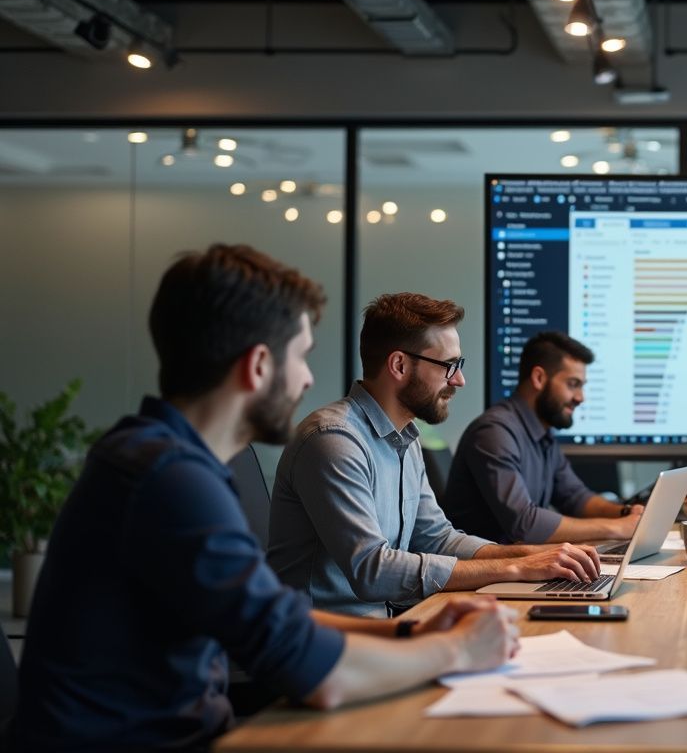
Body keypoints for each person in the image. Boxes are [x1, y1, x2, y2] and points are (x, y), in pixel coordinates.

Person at [14, 246, 518, 752]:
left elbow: (276, 615)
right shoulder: (168, 480)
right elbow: (316, 672)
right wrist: (455, 650)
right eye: (300, 355)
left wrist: (411, 636)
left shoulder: (162, 459)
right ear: (258, 365)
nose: (308, 378)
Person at [267, 295, 600, 617]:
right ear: (399, 365)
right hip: (321, 644)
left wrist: (537, 556)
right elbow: (372, 570)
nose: (459, 379)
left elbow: (437, 538)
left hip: (385, 627)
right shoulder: (334, 440)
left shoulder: (407, 438)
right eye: (449, 365)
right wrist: (514, 567)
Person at [441, 331, 644, 544]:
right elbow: (526, 524)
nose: (580, 397)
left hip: (521, 565)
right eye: (573, 384)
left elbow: (575, 498)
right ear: (539, 378)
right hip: (489, 571)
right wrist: (617, 528)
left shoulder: (542, 434)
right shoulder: (494, 432)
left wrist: (626, 513)